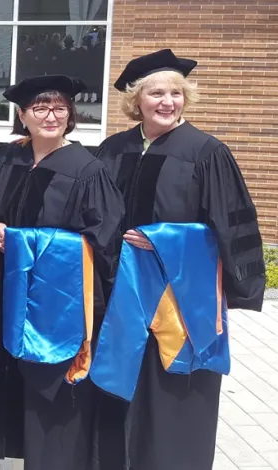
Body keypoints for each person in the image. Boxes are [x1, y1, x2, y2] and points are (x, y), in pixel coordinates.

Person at [90, 48, 265, 470]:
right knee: (119, 388)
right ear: (137, 102)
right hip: (120, 295)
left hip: (179, 299)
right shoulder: (113, 149)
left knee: (175, 392)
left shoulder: (207, 152)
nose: (167, 102)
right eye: (156, 94)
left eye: (175, 93)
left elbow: (230, 226)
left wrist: (165, 239)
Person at [0, 74, 124, 470]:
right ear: (22, 115)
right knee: (15, 385)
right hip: (9, 294)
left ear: (71, 115)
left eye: (59, 107)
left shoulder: (87, 169)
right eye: (40, 108)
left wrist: (21, 241)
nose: (50, 115)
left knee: (58, 392)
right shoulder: (6, 159)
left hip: (61, 302)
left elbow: (104, 239)